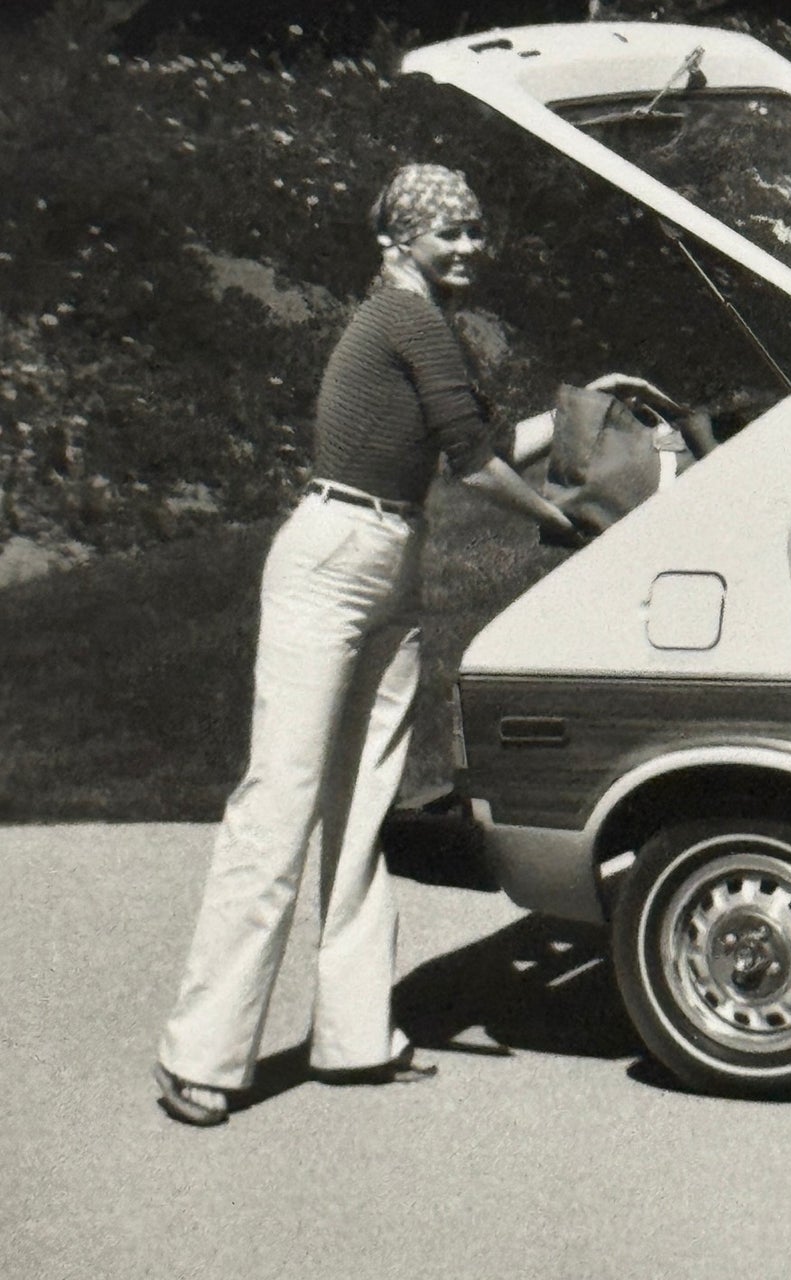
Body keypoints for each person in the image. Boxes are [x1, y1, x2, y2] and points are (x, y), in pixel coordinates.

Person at [153, 163, 588, 1126]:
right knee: (282, 798)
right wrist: (557, 519)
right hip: (333, 554)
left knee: (362, 806)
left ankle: (353, 1037)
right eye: (452, 234)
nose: (471, 247)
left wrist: (573, 416)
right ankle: (203, 1054)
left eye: (478, 231)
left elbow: (458, 440)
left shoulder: (417, 320)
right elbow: (475, 467)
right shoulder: (405, 318)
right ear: (400, 240)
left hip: (389, 556)